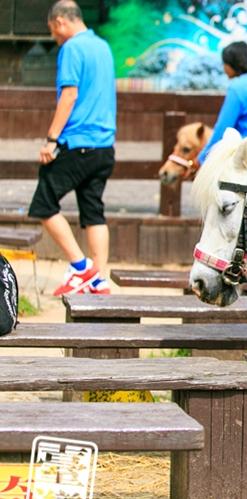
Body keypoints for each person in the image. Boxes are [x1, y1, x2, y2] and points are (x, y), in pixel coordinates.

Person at [29, 1, 116, 295]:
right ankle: (99, 277)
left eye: (53, 30)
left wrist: (52, 138)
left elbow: (69, 95)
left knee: (43, 203)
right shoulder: (103, 47)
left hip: (78, 142)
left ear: (61, 22)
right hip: (105, 146)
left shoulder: (71, 49)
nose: (54, 37)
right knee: (93, 210)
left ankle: (80, 267)